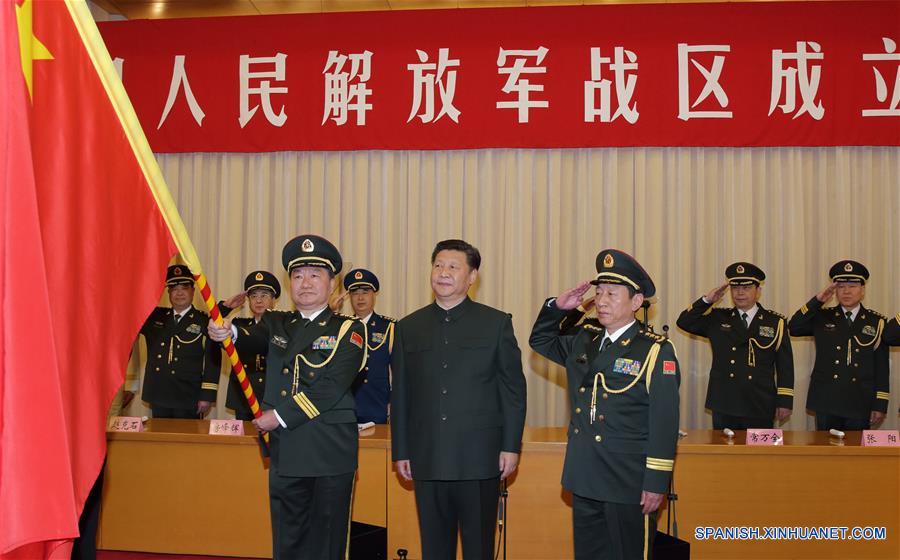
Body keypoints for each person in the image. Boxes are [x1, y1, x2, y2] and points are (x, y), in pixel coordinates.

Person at [209, 235, 366, 560]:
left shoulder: (347, 329)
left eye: (314, 275)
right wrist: (227, 332)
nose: (305, 283)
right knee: (288, 540)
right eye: (297, 276)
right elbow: (249, 336)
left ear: (332, 282)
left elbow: (332, 386)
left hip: (329, 451)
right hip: (286, 451)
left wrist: (277, 417)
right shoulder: (277, 321)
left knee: (328, 543)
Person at [529, 249, 680, 560]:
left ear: (636, 303)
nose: (601, 300)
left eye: (612, 293)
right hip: (585, 473)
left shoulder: (654, 350)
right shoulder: (584, 338)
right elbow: (540, 341)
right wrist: (558, 308)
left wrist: (656, 482)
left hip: (629, 480)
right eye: (598, 292)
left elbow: (664, 422)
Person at [391, 239, 527, 560]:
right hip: (427, 457)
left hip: (480, 458)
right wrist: (402, 450)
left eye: (453, 266)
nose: (443, 273)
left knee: (478, 547)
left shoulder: (496, 324)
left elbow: (513, 390)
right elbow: (401, 396)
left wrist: (511, 446)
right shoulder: (409, 327)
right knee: (434, 549)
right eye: (438, 265)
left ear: (472, 276)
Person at [676, 262, 794, 429]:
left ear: (758, 291)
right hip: (725, 402)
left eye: (746, 287)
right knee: (724, 453)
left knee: (759, 453)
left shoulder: (775, 322)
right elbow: (684, 322)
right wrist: (707, 300)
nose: (740, 292)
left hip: (760, 402)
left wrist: (785, 401)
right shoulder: (718, 318)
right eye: (735, 287)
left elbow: (785, 366)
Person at [788, 260, 889, 431]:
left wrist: (880, 404)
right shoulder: (822, 316)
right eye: (841, 286)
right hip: (827, 399)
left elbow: (881, 366)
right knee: (826, 453)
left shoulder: (876, 322)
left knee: (856, 455)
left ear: (863, 290)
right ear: (835, 291)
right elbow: (794, 327)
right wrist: (817, 301)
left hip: (860, 400)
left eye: (853, 286)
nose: (847, 291)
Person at [139, 264, 220, 419]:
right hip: (159, 394)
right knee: (159, 440)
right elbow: (131, 312)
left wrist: (207, 395)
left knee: (188, 441)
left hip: (189, 395)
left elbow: (213, 360)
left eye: (184, 288)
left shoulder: (204, 321)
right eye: (174, 289)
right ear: (168, 292)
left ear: (193, 291)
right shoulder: (155, 318)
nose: (179, 293)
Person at [219, 270, 281, 420]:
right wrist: (226, 307)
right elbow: (208, 330)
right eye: (254, 296)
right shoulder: (238, 325)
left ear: (274, 300)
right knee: (244, 442)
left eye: (264, 296)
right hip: (243, 396)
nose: (258, 301)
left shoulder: (284, 326)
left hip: (273, 398)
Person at [342, 268, 395, 424]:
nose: (360, 298)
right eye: (355, 293)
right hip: (345, 409)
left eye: (365, 292)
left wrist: (394, 403)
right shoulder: (341, 327)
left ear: (374, 294)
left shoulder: (389, 328)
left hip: (377, 407)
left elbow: (398, 373)